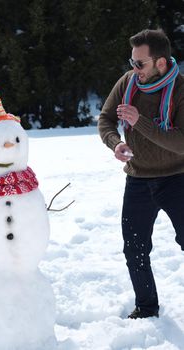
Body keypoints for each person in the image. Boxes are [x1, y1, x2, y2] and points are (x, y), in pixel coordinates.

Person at [98, 28, 184, 319]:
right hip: (137, 179)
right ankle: (146, 309)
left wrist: (141, 122)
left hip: (177, 178)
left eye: (140, 64)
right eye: (132, 62)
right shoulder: (128, 82)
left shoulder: (182, 90)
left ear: (161, 62)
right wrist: (116, 142)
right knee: (134, 250)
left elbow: (181, 143)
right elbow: (106, 119)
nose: (134, 69)